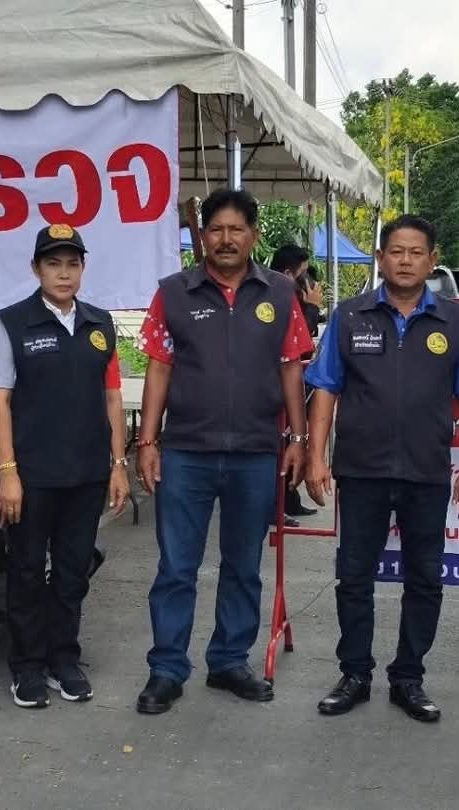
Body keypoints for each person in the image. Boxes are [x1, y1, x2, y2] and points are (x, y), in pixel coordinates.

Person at [304, 214, 459, 723]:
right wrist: (316, 456)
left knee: (425, 580)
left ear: (432, 261)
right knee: (353, 578)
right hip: (361, 471)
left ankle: (408, 678)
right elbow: (325, 389)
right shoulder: (350, 316)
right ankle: (355, 674)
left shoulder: (455, 320)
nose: (405, 261)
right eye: (396, 251)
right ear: (381, 258)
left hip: (427, 472)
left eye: (416, 252)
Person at [134, 188, 312, 715]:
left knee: (243, 564)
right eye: (217, 229)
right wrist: (147, 441)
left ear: (253, 235)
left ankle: (230, 661)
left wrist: (298, 439)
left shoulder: (280, 292)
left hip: (255, 452)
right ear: (203, 237)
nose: (227, 239)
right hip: (186, 451)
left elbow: (291, 368)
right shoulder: (173, 293)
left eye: (237, 229)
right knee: (176, 566)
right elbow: (159, 367)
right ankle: (167, 669)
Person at [0, 223, 129, 709]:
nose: (64, 273)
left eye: (72, 264)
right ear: (36, 269)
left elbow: (112, 398)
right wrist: (7, 472)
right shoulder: (11, 324)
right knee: (27, 571)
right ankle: (27, 665)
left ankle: (63, 658)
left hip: (86, 474)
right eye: (53, 264)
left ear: (83, 269)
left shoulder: (99, 325)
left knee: (73, 572)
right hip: (31, 477)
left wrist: (118, 464)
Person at [269, 244, 322, 523]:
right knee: (280, 446)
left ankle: (289, 500)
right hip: (277, 387)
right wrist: (311, 307)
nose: (309, 282)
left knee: (291, 442)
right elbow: (296, 343)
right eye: (304, 275)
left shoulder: (290, 295)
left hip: (292, 383)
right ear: (289, 274)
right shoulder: (276, 296)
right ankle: (276, 506)